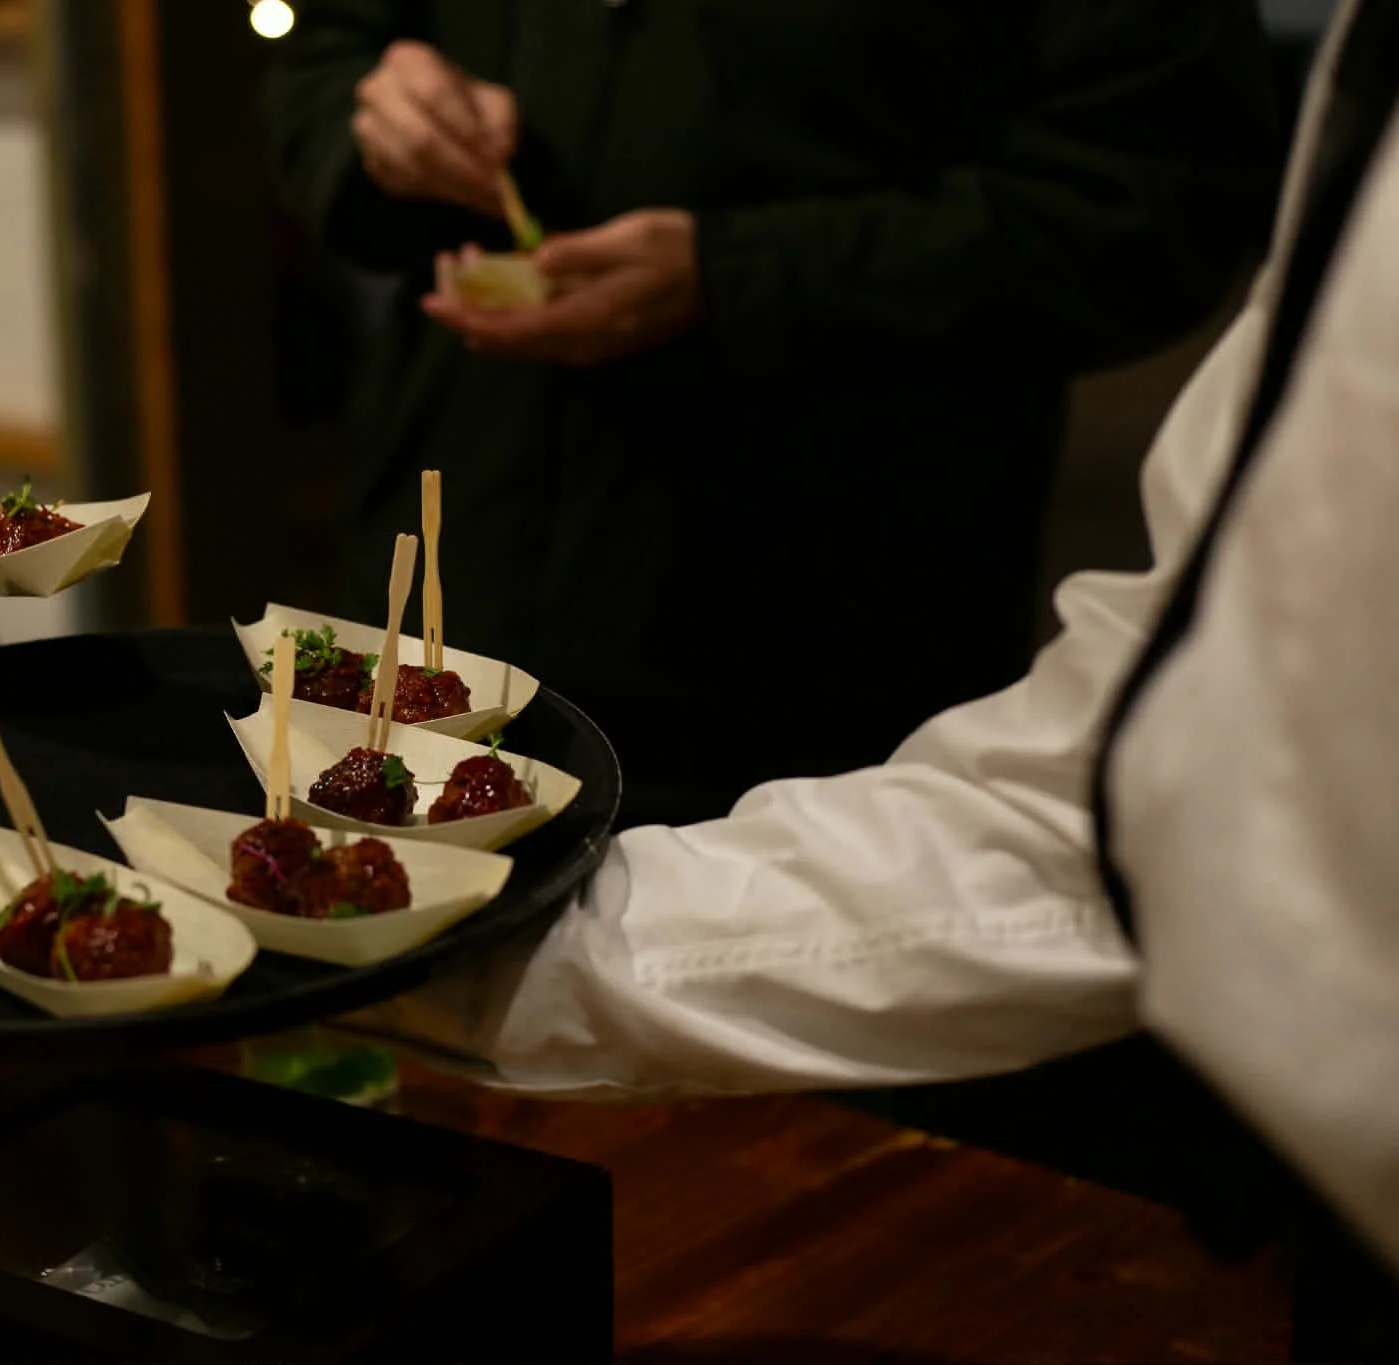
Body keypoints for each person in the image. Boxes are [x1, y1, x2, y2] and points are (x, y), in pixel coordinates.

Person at [346, 0, 1399, 1351]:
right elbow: (1152, 757)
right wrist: (410, 942)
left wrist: (744, 271)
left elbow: (1150, 197)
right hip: (493, 575)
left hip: (830, 621)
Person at [264, 1, 1280, 829]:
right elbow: (326, 53)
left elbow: (1149, 207)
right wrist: (373, 125)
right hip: (447, 568)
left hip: (820, 653)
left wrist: (732, 279)